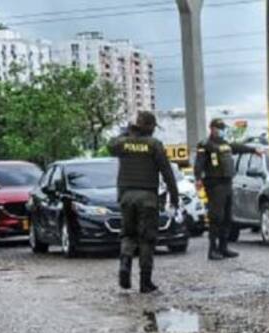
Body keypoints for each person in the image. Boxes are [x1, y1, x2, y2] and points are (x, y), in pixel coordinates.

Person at [108, 110, 180, 293]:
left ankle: (125, 265)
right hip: (147, 198)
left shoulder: (123, 143)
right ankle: (145, 282)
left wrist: (127, 132)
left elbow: (111, 145)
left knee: (128, 235)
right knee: (147, 239)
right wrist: (174, 197)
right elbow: (167, 172)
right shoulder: (154, 145)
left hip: (126, 196)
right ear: (149, 127)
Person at [194, 118, 261, 261]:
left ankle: (223, 247)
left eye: (223, 128)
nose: (222, 131)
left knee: (226, 217)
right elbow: (199, 163)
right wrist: (198, 178)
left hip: (227, 183)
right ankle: (213, 250)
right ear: (212, 128)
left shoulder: (225, 144)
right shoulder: (205, 145)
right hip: (214, 184)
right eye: (220, 128)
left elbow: (237, 147)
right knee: (216, 217)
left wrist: (253, 150)